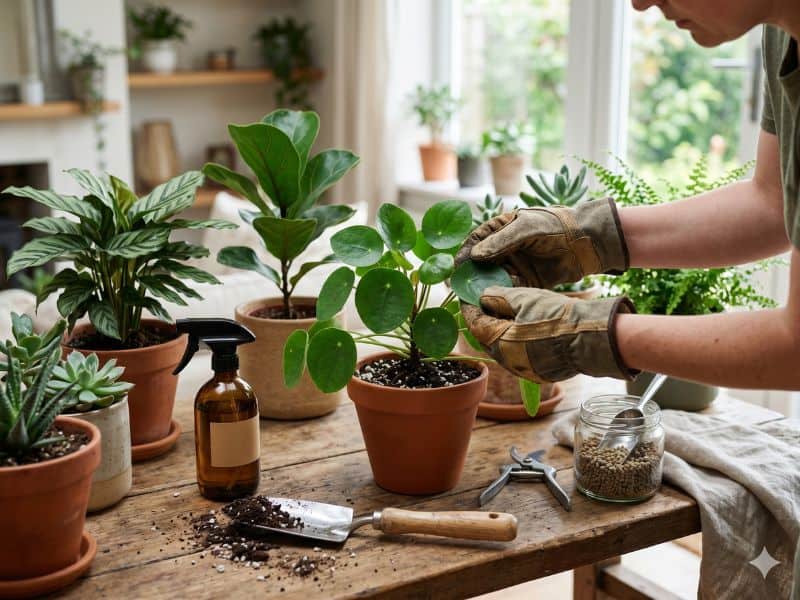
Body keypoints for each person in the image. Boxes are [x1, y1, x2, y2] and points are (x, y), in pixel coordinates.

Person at [459, 0, 800, 393]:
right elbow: (773, 203)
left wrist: (586, 334)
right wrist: (586, 236)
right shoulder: (781, 27)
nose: (639, 4)